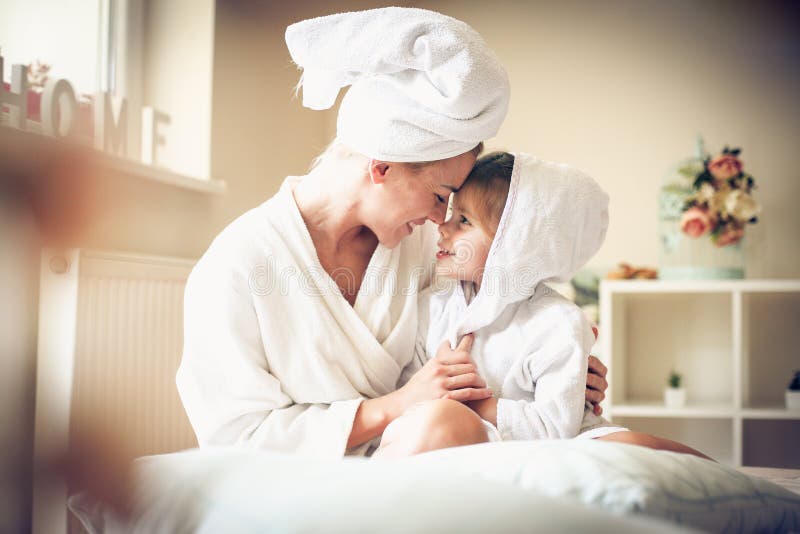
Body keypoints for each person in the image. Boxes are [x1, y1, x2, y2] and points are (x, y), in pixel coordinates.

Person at [176, 7, 609, 459]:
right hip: (308, 474)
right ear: (381, 166)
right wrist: (398, 405)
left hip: (433, 456)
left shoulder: (425, 248)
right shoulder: (237, 264)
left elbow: (483, 339)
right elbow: (235, 436)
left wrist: (562, 371)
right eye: (442, 196)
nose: (443, 221)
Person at [374, 152, 712, 461]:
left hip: (560, 444)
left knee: (633, 449)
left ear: (515, 246)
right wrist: (434, 388)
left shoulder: (558, 322)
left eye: (464, 221)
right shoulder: (430, 308)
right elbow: (409, 403)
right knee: (439, 423)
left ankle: (731, 480)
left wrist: (476, 404)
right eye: (452, 214)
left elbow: (555, 428)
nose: (442, 227)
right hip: (465, 444)